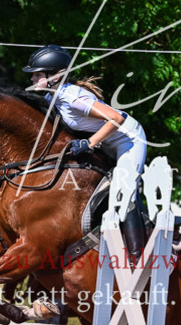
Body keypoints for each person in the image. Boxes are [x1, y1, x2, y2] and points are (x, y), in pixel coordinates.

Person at [23, 44, 149, 262]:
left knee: (123, 191)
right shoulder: (50, 97)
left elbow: (117, 119)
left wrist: (89, 143)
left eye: (37, 75)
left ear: (55, 76)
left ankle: (137, 256)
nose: (32, 79)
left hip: (128, 139)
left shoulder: (72, 96)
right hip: (106, 141)